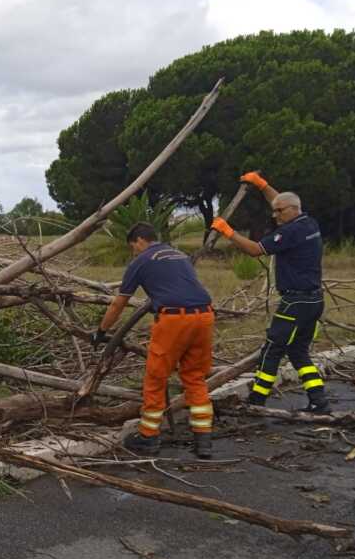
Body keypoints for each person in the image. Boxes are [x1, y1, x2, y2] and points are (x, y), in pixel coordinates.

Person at [91, 222, 215, 459]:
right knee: (195, 376)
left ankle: (148, 436)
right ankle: (203, 439)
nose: (133, 251)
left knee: (156, 376)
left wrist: (101, 330)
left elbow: (120, 302)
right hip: (205, 315)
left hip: (174, 320)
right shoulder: (179, 255)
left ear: (139, 241)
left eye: (132, 247)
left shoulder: (141, 261)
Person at [210, 171, 330, 413]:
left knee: (272, 350)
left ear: (293, 209)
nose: (275, 215)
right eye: (274, 211)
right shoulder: (308, 222)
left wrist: (228, 232)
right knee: (298, 351)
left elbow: (256, 250)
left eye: (279, 212)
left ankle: (256, 401)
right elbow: (282, 200)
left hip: (295, 302)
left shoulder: (289, 232)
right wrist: (262, 185)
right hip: (314, 301)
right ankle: (319, 401)